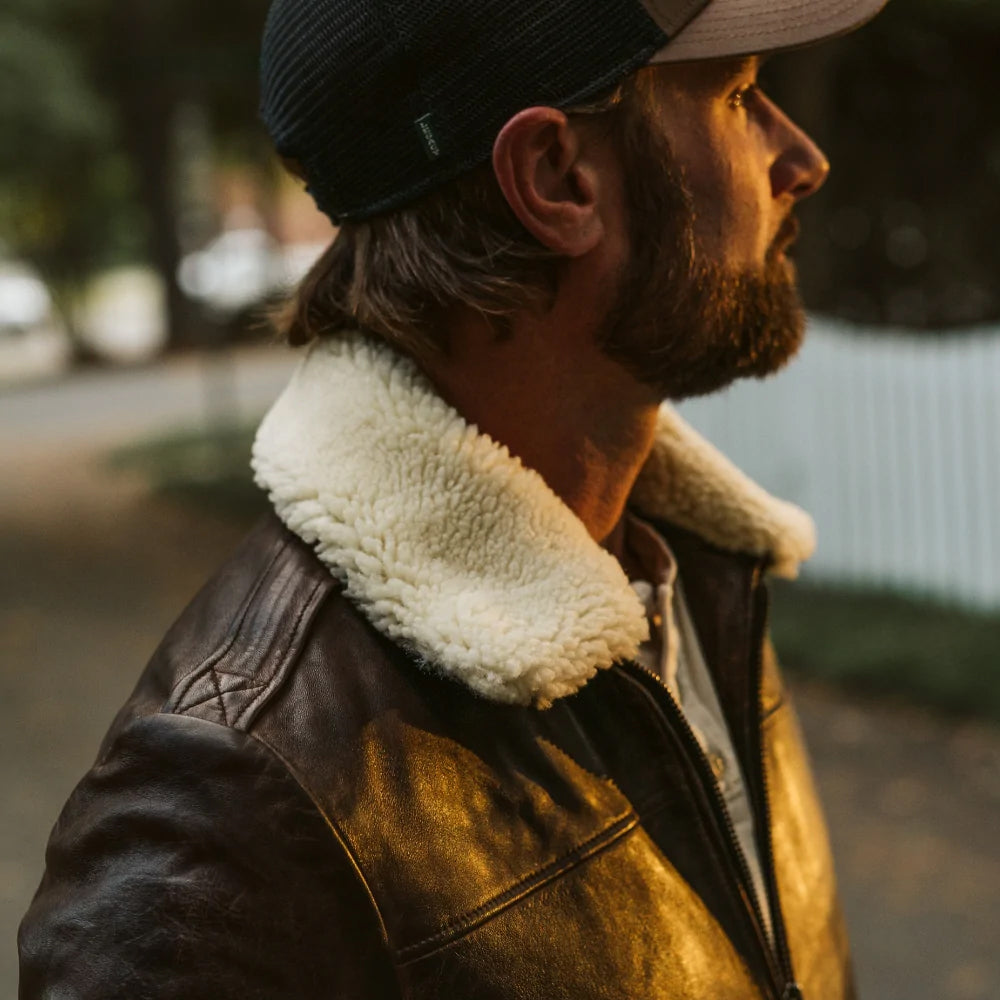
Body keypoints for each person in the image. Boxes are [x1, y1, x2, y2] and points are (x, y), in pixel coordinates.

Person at [19, 0, 889, 997]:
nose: (803, 157)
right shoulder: (228, 811)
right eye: (737, 95)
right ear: (558, 180)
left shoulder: (688, 563)